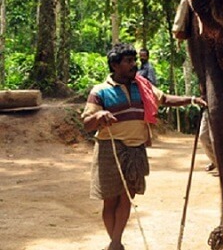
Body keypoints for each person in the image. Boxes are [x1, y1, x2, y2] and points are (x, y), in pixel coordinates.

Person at [82, 42, 205, 250]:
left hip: (136, 149)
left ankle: (115, 243)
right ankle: (116, 243)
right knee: (109, 200)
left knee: (126, 197)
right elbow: (87, 124)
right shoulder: (100, 91)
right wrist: (99, 115)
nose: (134, 65)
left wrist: (192, 99)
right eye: (128, 61)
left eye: (134, 61)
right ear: (114, 65)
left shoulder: (143, 87)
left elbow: (165, 99)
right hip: (109, 149)